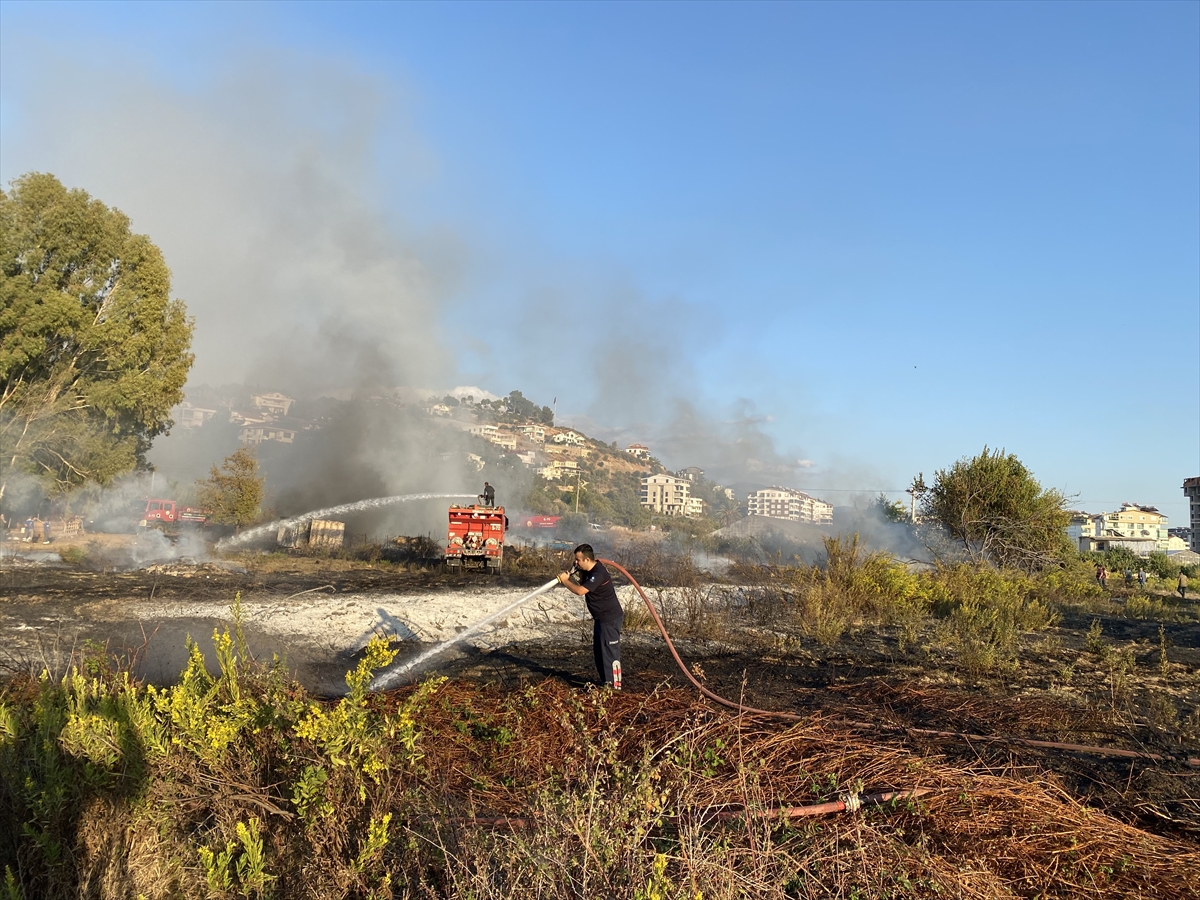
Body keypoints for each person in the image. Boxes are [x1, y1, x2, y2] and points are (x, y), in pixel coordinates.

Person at [558, 544, 624, 688]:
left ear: (587, 560)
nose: (576, 562)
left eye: (578, 560)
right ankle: (606, 683)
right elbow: (583, 583)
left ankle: (615, 687)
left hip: (610, 619)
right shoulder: (587, 571)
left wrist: (565, 581)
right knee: (600, 653)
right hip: (600, 619)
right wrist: (574, 573)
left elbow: (581, 591)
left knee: (610, 653)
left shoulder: (598, 573)